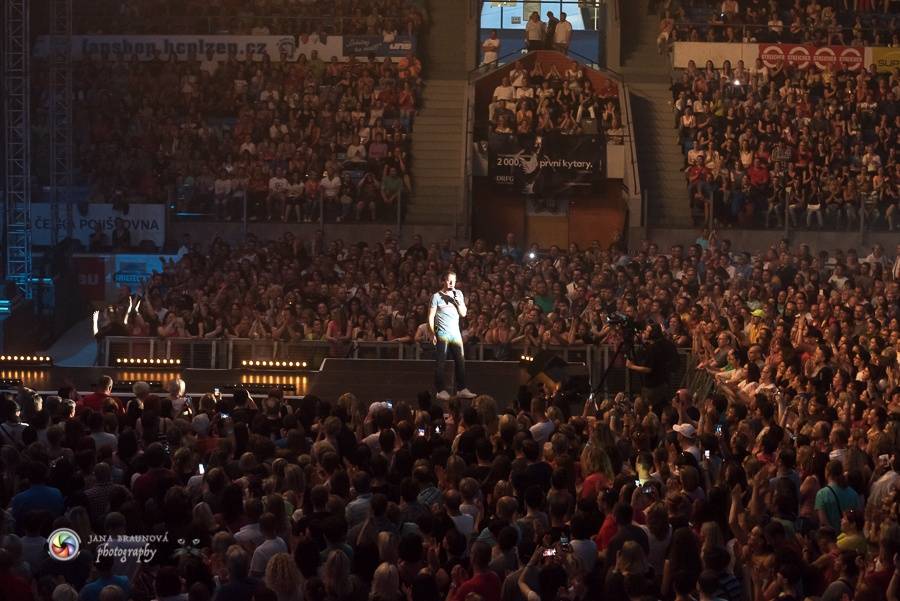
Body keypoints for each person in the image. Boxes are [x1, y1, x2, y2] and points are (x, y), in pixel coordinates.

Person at [428, 271, 476, 401]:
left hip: (455, 333)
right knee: (441, 362)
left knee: (460, 360)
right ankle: (440, 390)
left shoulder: (458, 294)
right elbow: (431, 316)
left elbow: (464, 313)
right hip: (442, 333)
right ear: (443, 280)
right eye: (449, 280)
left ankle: (462, 389)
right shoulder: (436, 296)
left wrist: (456, 302)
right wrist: (432, 332)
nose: (451, 283)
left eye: (453, 281)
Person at [625, 323, 679, 415]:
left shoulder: (653, 348)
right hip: (666, 382)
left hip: (654, 386)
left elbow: (648, 369)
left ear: (653, 333)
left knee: (650, 410)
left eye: (647, 331)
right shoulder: (668, 344)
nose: (644, 333)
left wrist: (631, 366)